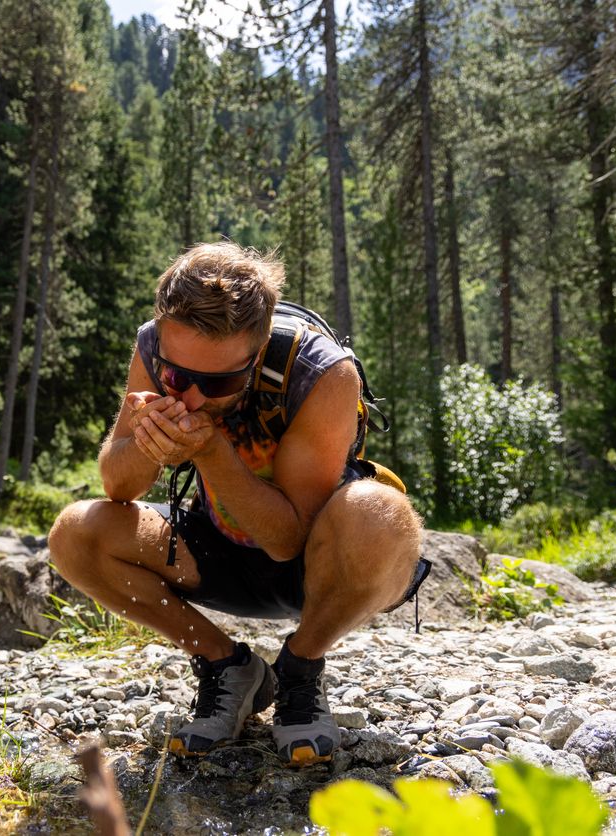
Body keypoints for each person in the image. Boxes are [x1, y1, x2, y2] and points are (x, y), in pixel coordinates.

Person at [49, 242, 426, 766]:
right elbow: (118, 485)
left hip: (310, 565)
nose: (193, 398)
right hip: (216, 548)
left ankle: (301, 667)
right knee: (75, 533)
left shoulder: (322, 371)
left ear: (259, 343)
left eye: (219, 382)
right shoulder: (156, 347)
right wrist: (149, 443)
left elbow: (286, 540)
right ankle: (227, 665)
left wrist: (209, 450)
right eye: (179, 378)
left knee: (381, 513)